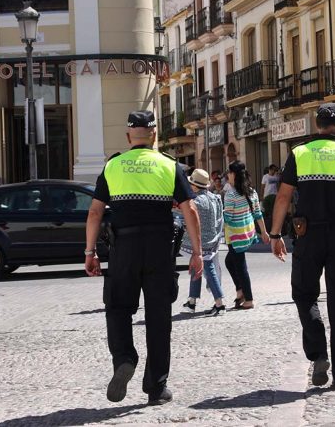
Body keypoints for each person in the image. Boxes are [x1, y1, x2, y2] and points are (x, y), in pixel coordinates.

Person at [84, 110, 203, 406]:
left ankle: (124, 358)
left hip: (123, 248)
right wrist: (198, 252)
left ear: (128, 137)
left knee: (118, 308)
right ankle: (156, 387)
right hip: (159, 249)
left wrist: (89, 252)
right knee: (159, 318)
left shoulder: (113, 166)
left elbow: (95, 212)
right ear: (153, 135)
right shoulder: (169, 166)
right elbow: (190, 210)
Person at [269, 103, 335, 390]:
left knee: (304, 294)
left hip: (308, 236)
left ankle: (318, 354)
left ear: (317, 125)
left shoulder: (300, 154)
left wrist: (275, 234)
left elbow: (283, 197)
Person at [223, 160, 270, 310]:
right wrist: (264, 231)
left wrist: (219, 213)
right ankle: (240, 291)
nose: (227, 175)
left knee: (240, 266)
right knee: (230, 262)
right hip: (247, 233)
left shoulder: (230, 194)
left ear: (234, 175)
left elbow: (228, 218)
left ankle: (248, 298)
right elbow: (258, 213)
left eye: (229, 172)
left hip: (235, 235)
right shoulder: (251, 191)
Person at [180, 169, 225, 316]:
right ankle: (192, 300)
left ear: (194, 185)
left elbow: (188, 219)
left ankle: (220, 303)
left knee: (208, 269)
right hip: (213, 238)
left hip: (200, 241)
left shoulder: (195, 201)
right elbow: (220, 218)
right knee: (197, 266)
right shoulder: (215, 198)